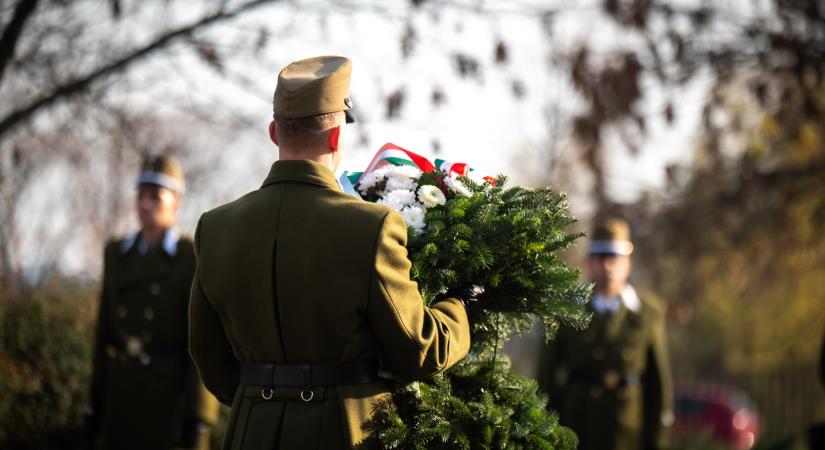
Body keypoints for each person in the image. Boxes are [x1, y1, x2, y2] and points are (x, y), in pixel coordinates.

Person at [188, 55, 475, 450]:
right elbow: (419, 348)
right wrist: (461, 306)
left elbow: (207, 355)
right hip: (346, 432)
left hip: (251, 429)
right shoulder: (371, 227)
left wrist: (260, 394)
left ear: (274, 132)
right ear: (337, 137)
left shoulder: (214, 228)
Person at [87, 155, 218, 450]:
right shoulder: (117, 254)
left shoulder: (191, 256)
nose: (145, 204)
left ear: (176, 203)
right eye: (141, 196)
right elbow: (103, 335)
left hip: (167, 397)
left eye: (156, 197)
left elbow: (202, 341)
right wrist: (94, 401)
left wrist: (199, 418)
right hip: (121, 395)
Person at [537, 217, 674, 450]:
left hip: (627, 428)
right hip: (577, 426)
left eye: (615, 258)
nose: (608, 265)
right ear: (589, 261)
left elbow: (657, 380)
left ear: (628, 263)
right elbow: (547, 374)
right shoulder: (565, 307)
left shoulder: (648, 312)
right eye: (601, 257)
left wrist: (657, 438)